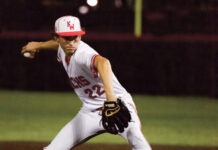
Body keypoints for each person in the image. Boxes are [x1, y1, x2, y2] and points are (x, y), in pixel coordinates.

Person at [21, 15, 152, 150]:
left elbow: (103, 62)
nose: (72, 42)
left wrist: (111, 98)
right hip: (90, 112)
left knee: (138, 141)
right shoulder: (63, 48)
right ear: (57, 38)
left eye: (75, 37)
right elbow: (57, 46)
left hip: (118, 105)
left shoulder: (82, 54)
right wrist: (39, 45)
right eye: (67, 37)